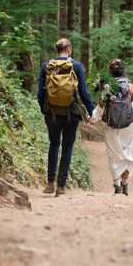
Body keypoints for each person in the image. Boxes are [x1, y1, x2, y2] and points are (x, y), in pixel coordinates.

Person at [37, 38, 94, 197]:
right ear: (69, 50)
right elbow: (84, 93)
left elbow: (40, 93)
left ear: (57, 50)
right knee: (67, 147)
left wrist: (45, 111)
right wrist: (93, 112)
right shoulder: (76, 66)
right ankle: (61, 187)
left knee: (54, 144)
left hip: (52, 113)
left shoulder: (46, 66)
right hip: (71, 113)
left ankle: (49, 184)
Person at [89, 59, 133, 195]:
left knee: (114, 156)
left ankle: (117, 187)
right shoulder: (131, 87)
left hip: (111, 126)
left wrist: (93, 119)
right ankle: (125, 187)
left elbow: (100, 107)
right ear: (124, 70)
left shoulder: (107, 86)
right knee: (127, 155)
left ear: (110, 71)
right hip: (129, 126)